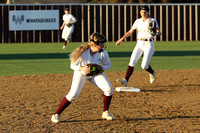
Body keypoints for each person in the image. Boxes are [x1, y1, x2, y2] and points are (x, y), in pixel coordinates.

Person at [51, 33, 114, 123]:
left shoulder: (103, 53)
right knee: (73, 95)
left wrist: (101, 68)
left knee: (109, 89)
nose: (102, 46)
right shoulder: (83, 52)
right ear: (94, 44)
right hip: (81, 73)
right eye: (101, 44)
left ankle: (105, 112)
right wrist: (82, 68)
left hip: (95, 74)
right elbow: (72, 65)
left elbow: (108, 64)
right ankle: (56, 114)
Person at [116, 6, 161, 86]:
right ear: (140, 12)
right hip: (139, 43)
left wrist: (156, 33)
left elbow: (159, 32)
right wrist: (121, 39)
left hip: (149, 44)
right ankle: (125, 80)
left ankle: (152, 72)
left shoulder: (152, 21)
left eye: (145, 12)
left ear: (148, 12)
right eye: (141, 12)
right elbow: (130, 31)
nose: (143, 13)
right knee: (132, 61)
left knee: (144, 65)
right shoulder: (137, 21)